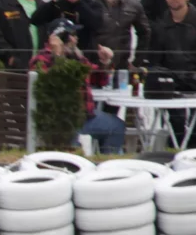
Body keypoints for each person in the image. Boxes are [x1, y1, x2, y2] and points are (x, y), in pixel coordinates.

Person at [141, 0, 196, 145]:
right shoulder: (160, 25)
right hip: (170, 85)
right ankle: (173, 158)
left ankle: (192, 162)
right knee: (174, 125)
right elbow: (155, 60)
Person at [30, 19, 126, 154]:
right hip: (61, 121)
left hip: (85, 117)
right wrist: (57, 56)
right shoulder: (41, 59)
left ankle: (106, 165)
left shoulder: (75, 57)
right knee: (73, 136)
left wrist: (105, 62)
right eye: (73, 35)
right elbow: (54, 86)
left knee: (116, 126)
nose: (76, 39)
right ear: (62, 38)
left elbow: (99, 80)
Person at [30, 0, 109, 66]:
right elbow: (35, 20)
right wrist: (54, 0)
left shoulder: (93, 4)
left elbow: (97, 24)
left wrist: (78, 2)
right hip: (58, 56)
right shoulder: (59, 4)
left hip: (84, 57)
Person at [92, 0, 149, 84]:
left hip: (121, 67)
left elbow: (145, 33)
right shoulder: (89, 3)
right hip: (93, 67)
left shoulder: (133, 4)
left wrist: (136, 62)